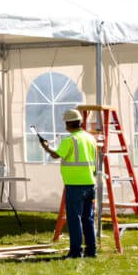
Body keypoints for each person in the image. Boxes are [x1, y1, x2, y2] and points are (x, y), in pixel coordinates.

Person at [40, 108, 98, 258]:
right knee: (88, 219)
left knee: (74, 220)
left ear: (69, 123)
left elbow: (55, 155)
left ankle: (75, 252)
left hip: (74, 185)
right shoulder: (90, 138)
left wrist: (46, 147)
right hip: (90, 184)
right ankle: (91, 251)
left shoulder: (70, 140)